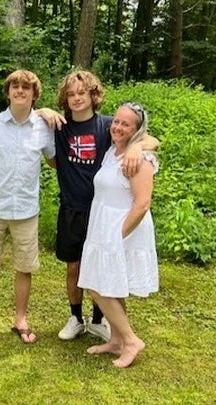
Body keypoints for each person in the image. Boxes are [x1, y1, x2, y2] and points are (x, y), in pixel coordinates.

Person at [53, 71, 159, 342]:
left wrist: (136, 148)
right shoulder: (59, 127)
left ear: (93, 96)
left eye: (82, 93)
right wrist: (42, 110)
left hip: (101, 211)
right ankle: (76, 317)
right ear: (65, 98)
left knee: (104, 268)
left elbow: (150, 139)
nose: (76, 98)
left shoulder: (108, 125)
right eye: (71, 94)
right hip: (72, 208)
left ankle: (101, 320)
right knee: (75, 267)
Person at [0, 69, 55, 344]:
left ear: (34, 94)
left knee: (24, 268)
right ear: (8, 93)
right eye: (14, 87)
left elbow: (54, 161)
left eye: (25, 88)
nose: (20, 91)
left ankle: (20, 320)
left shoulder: (43, 128)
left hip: (27, 209)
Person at [77, 102, 159, 368]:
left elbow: (142, 203)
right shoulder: (112, 151)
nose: (118, 127)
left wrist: (117, 234)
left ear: (137, 130)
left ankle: (131, 340)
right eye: (117, 121)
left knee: (97, 286)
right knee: (110, 284)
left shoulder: (140, 159)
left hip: (124, 227)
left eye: (126, 124)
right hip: (103, 223)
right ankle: (116, 340)